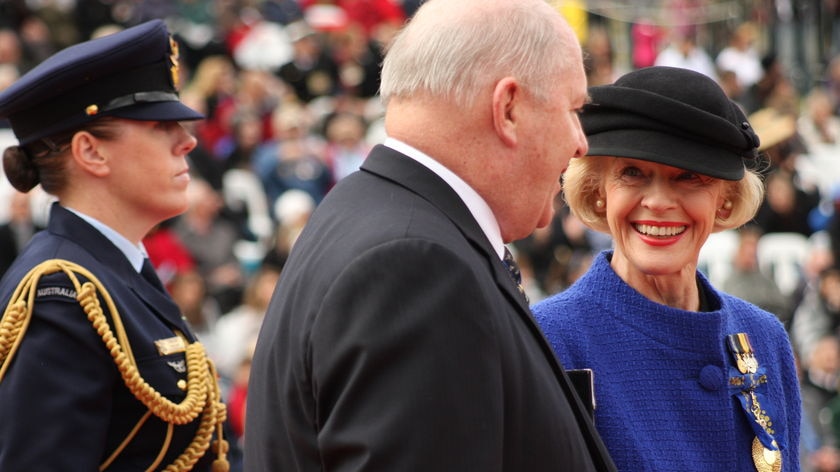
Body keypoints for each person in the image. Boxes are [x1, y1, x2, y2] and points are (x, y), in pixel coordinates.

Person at [244, 0, 616, 470]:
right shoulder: (416, 265)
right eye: (573, 110)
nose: (581, 141)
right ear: (508, 109)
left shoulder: (377, 217)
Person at [532, 66, 801, 471]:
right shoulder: (549, 339)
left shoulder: (765, 338)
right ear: (598, 191)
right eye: (633, 173)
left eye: (688, 177)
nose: (658, 201)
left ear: (725, 201)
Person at [0, 20, 228, 470]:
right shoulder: (60, 292)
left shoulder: (114, 269)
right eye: (161, 128)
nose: (187, 142)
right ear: (91, 152)